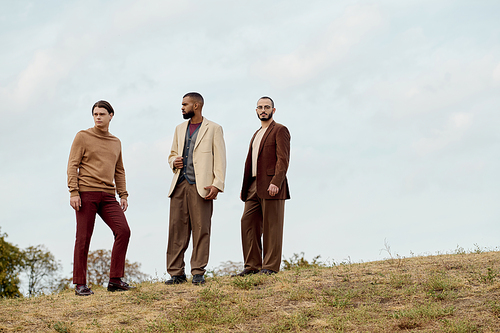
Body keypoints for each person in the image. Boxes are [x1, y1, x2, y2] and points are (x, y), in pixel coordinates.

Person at [67, 100, 134, 296]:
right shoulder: (83, 136)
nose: (98, 117)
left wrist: (123, 194)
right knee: (83, 237)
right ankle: (80, 284)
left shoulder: (116, 142)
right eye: (95, 114)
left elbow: (119, 170)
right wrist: (73, 191)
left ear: (111, 116)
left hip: (108, 195)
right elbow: (72, 165)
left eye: (102, 114)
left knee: (123, 231)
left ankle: (115, 280)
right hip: (86, 193)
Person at [166, 92, 226, 285]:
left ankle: (198, 272)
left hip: (202, 187)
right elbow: (172, 155)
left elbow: (220, 159)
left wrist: (217, 184)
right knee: (176, 230)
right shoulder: (179, 129)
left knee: (201, 230)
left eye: (185, 104)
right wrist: (173, 161)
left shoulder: (214, 128)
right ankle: (176, 274)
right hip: (179, 185)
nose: (182, 108)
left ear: (197, 106)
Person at [233, 96, 291, 277]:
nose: (263, 110)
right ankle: (252, 266)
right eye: (260, 107)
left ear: (273, 110)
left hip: (271, 185)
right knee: (247, 222)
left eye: (267, 107)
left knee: (272, 226)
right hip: (253, 186)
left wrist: (276, 181)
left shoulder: (280, 130)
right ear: (256, 110)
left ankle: (270, 267)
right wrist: (245, 188)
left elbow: (283, 159)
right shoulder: (256, 133)